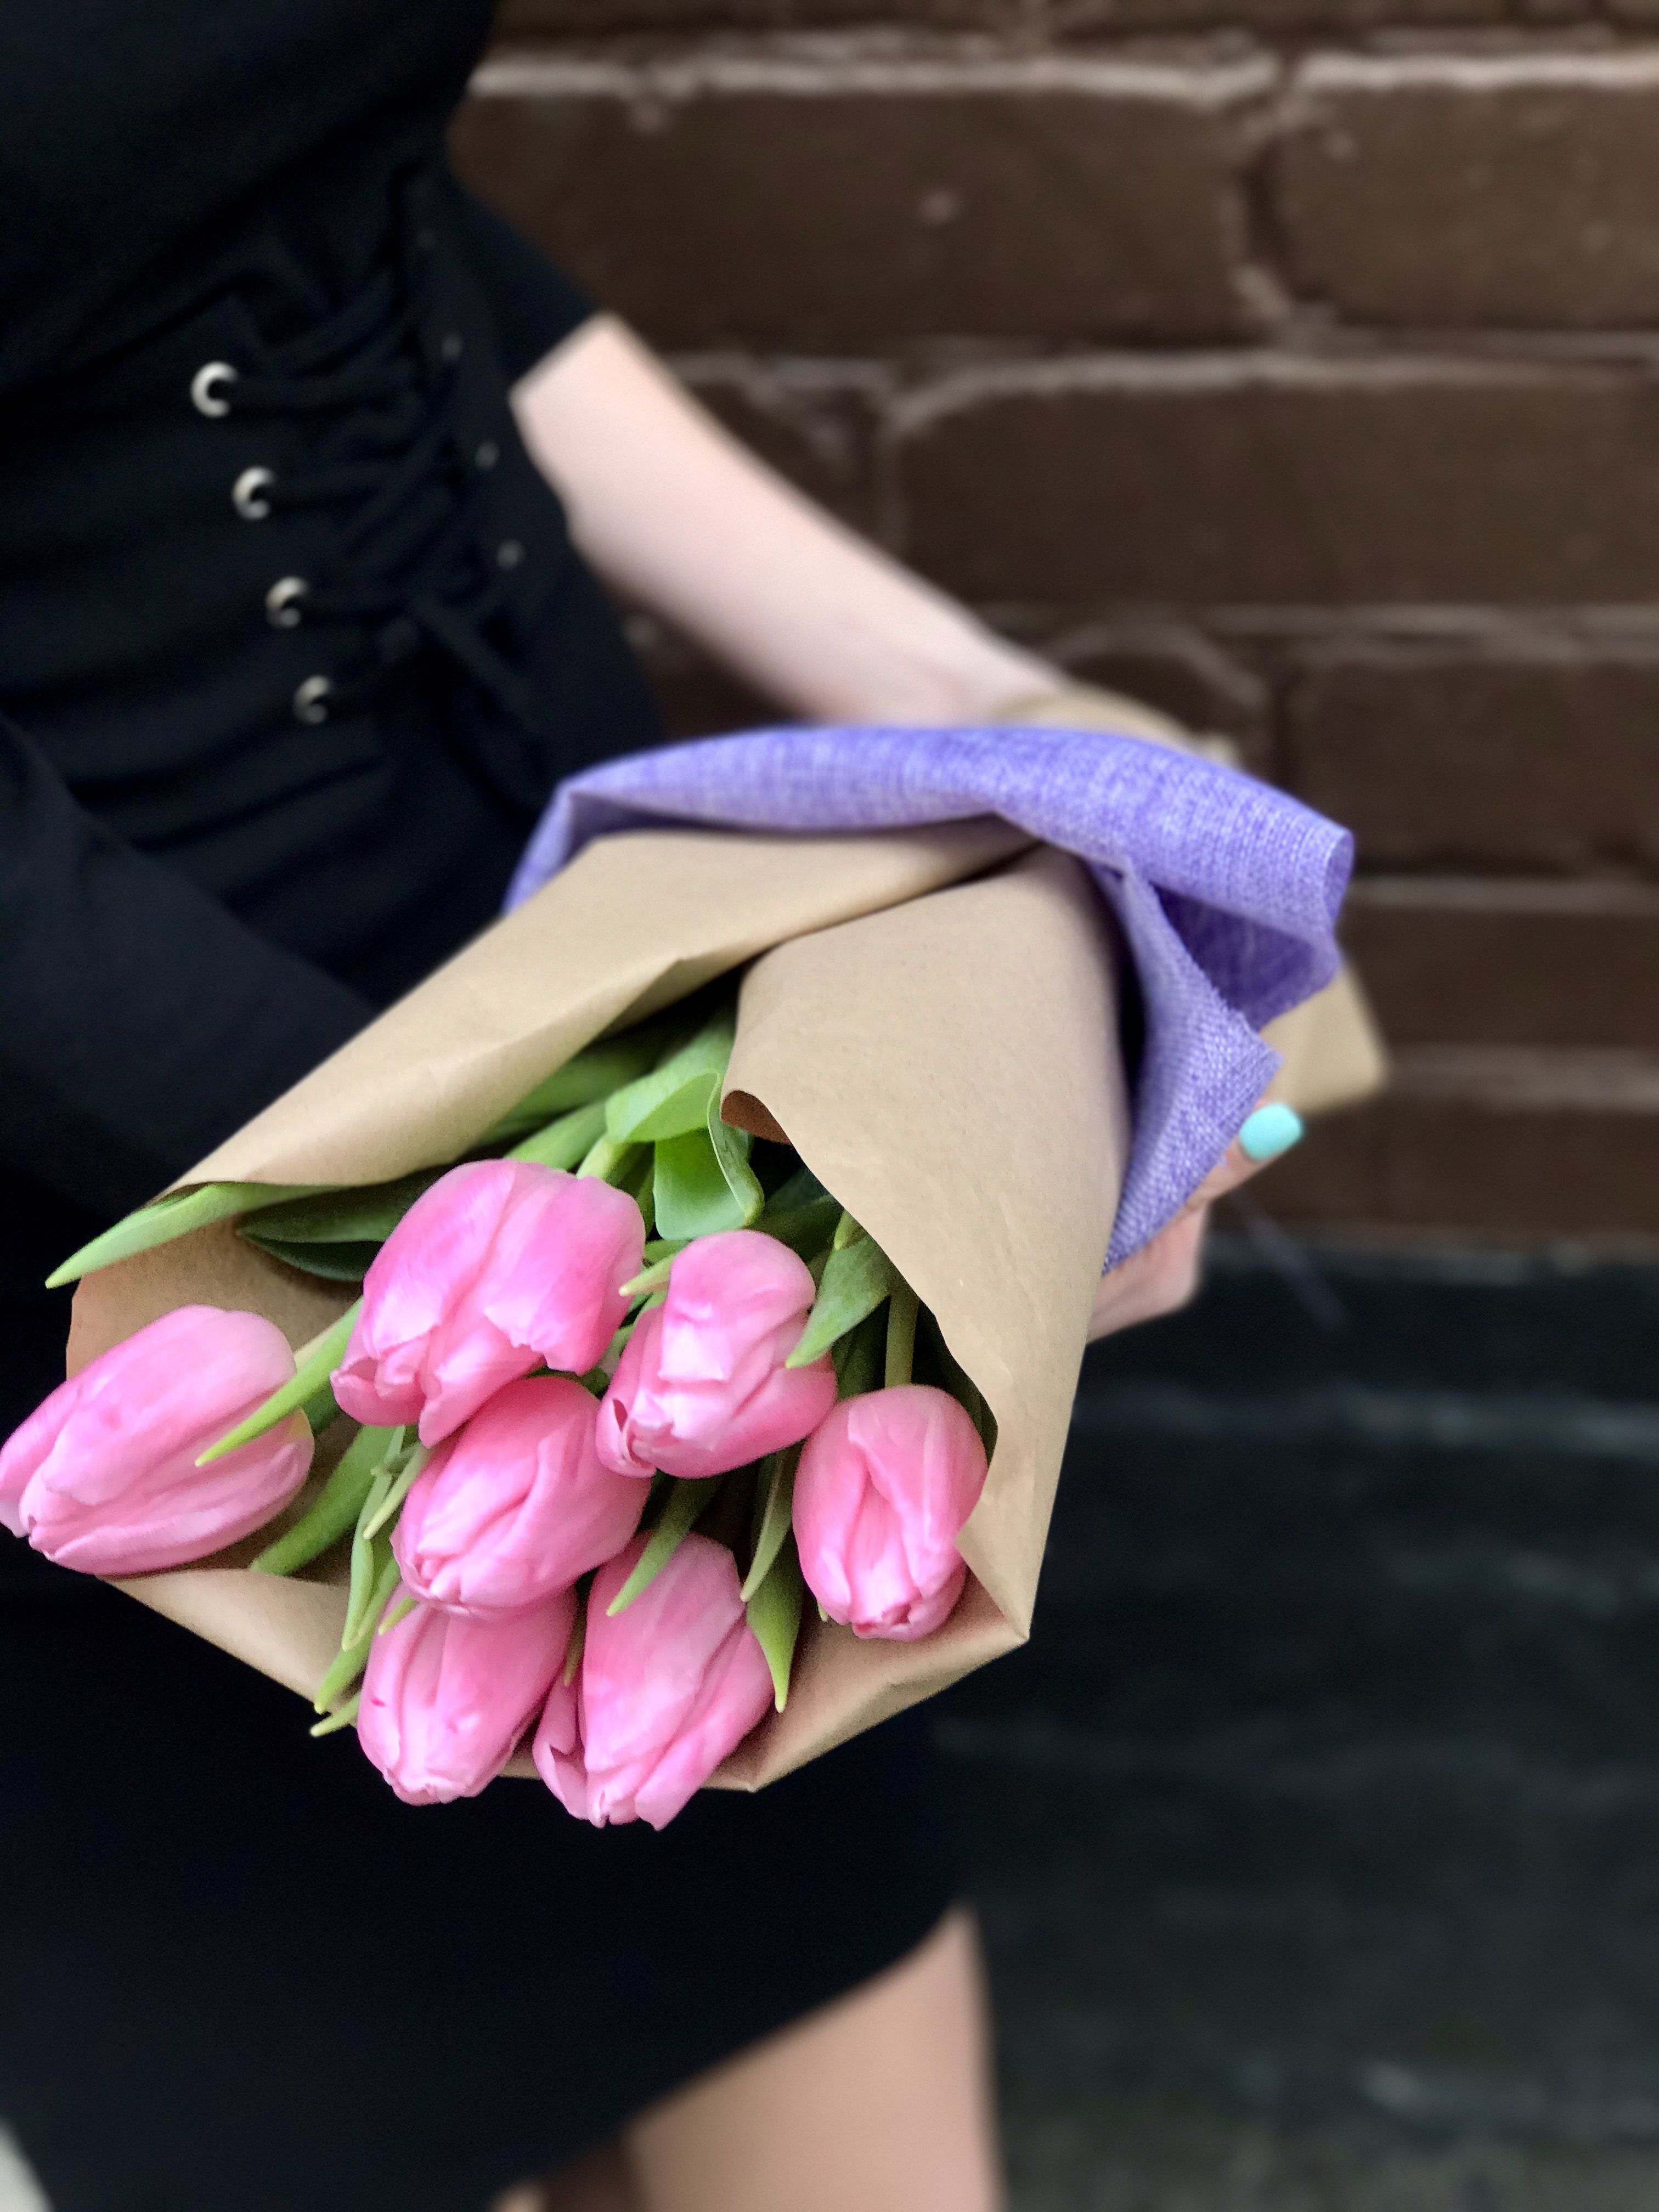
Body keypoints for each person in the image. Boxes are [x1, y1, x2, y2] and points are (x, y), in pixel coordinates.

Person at [0, 7, 1280, 2208]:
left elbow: (301, 189)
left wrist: (1000, 728)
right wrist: (508, 1258)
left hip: (583, 972)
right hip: (163, 1217)